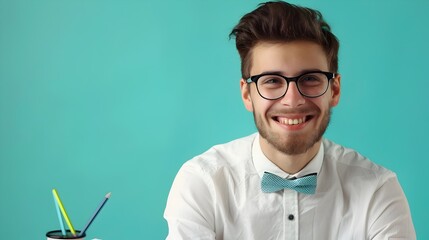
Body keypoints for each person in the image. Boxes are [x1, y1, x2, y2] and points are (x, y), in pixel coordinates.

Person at [164, 1, 416, 239]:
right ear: (247, 94)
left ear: (335, 90)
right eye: (272, 81)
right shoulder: (202, 183)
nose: (292, 100)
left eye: (310, 78)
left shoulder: (378, 191)